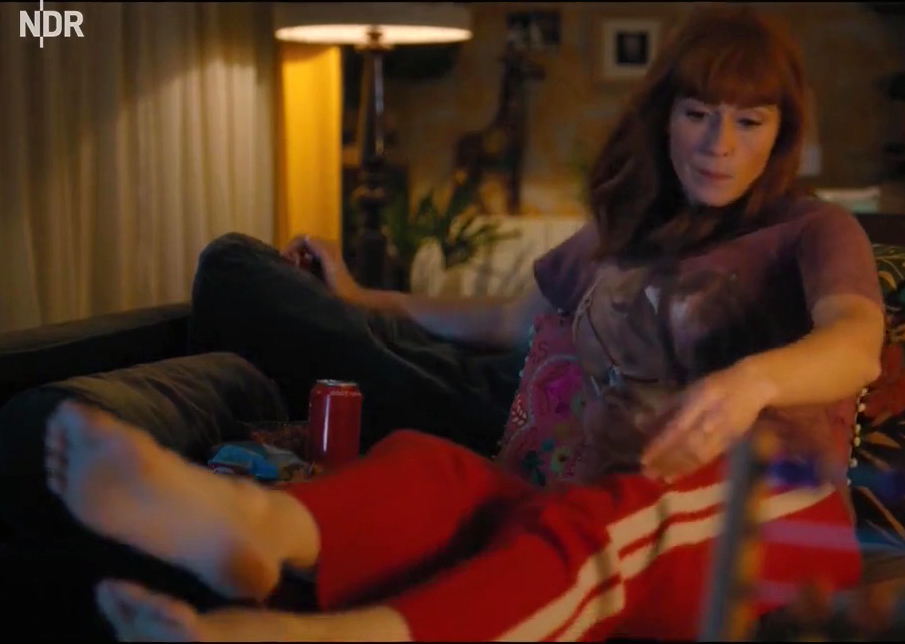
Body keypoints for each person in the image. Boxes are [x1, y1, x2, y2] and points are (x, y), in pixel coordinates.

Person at [46, 5, 886, 641]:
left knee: (625, 509)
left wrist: (750, 383)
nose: (718, 144)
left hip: (777, 509)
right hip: (613, 494)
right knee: (433, 469)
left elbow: (854, 341)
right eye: (698, 113)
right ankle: (243, 528)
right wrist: (357, 294)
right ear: (665, 114)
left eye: (748, 120)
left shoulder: (808, 229)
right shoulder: (624, 233)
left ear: (780, 131)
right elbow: (507, 318)